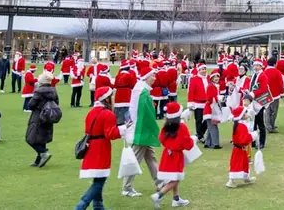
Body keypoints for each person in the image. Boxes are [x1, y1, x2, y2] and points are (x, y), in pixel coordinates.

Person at [75, 86, 127, 210]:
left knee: (98, 178)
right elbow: (111, 134)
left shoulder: (91, 112)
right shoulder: (107, 113)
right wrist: (124, 129)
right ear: (107, 99)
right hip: (101, 148)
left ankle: (98, 206)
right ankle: (81, 205)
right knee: (99, 182)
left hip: (91, 146)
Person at [122, 69, 162, 198]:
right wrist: (155, 129)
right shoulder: (144, 92)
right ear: (147, 77)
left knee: (150, 156)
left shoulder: (139, 89)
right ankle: (127, 187)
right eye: (153, 75)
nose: (155, 78)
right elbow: (147, 114)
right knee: (135, 159)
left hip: (139, 129)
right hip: (141, 130)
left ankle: (160, 181)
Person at [151, 101, 195, 208]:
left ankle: (176, 199)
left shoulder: (166, 126)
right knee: (176, 178)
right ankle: (159, 195)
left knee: (174, 177)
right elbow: (188, 144)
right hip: (176, 156)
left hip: (167, 154)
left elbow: (161, 139)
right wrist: (193, 139)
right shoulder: (182, 127)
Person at [25, 70, 59, 168]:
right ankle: (38, 160)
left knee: (30, 138)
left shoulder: (39, 91)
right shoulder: (53, 90)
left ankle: (43, 153)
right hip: (49, 116)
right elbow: (57, 103)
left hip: (38, 116)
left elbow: (31, 105)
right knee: (42, 138)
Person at [226, 104, 255, 188]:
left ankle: (246, 177)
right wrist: (252, 136)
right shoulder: (241, 126)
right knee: (236, 164)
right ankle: (230, 181)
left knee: (244, 163)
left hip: (240, 149)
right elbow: (244, 139)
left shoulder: (239, 125)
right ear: (241, 115)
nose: (247, 115)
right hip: (239, 149)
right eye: (245, 113)